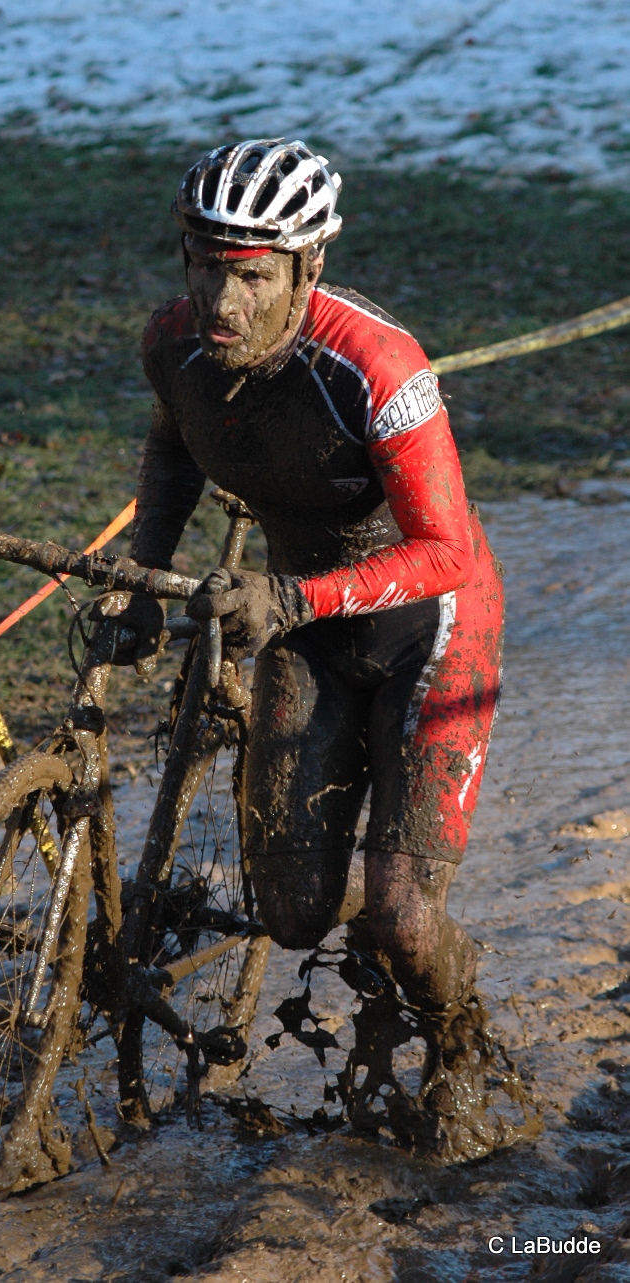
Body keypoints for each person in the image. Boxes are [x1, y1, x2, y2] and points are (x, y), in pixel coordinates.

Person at [126, 138, 503, 1018]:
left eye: (254, 278)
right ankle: (365, 914)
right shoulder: (172, 342)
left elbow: (445, 550)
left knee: (403, 916)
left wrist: (290, 597)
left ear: (308, 266)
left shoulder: (377, 367)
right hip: (303, 628)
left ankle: (460, 1035)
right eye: (207, 268)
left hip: (431, 628)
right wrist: (144, 577)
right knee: (292, 913)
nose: (223, 301)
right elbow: (173, 448)